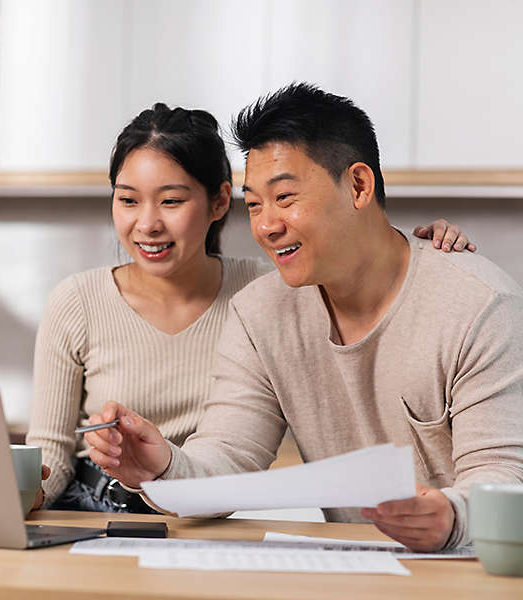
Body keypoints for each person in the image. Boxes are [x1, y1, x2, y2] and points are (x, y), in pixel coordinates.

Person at [85, 83, 523, 551]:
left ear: (358, 185)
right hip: (355, 568)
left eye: (285, 197)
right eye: (254, 204)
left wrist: (451, 518)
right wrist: (164, 468)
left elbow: (505, 477)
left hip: (471, 574)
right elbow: (229, 457)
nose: (266, 225)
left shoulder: (477, 305)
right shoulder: (261, 313)